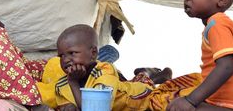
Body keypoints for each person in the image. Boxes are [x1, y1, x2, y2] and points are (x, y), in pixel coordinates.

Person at [48, 24, 201, 111]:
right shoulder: (62, 84)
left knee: (158, 92)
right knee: (135, 80)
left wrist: (74, 83)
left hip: (140, 98)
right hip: (121, 93)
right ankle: (147, 73)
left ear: (93, 53)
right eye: (61, 56)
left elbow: (93, 109)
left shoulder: (104, 70)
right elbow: (67, 106)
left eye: (72, 53)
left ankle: (154, 74)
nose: (66, 60)